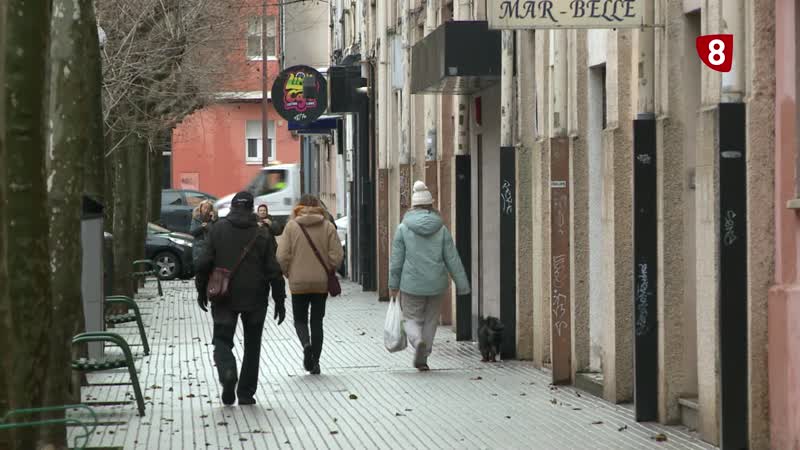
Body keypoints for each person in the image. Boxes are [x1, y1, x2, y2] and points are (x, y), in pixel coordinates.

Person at [196, 191, 286, 406]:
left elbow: (203, 263)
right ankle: (245, 393)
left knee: (222, 339)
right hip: (256, 298)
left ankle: (227, 370)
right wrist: (280, 299)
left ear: (233, 206)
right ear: (252, 208)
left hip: (224, 295)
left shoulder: (217, 230)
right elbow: (274, 270)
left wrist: (201, 290)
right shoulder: (261, 233)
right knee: (253, 345)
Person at [388, 181, 470, 371]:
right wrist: (462, 285)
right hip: (436, 283)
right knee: (431, 320)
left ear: (413, 206)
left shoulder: (403, 229)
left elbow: (396, 261)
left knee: (410, 318)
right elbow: (453, 258)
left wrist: (393, 285)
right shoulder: (441, 229)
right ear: (431, 206)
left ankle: (417, 343)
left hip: (411, 284)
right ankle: (424, 357)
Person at [277, 194, 343, 375]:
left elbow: (281, 256)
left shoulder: (291, 227)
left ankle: (306, 345)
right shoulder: (328, 226)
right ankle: (315, 362)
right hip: (321, 283)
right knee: (317, 321)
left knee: (299, 319)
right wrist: (328, 269)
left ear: (298, 207)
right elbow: (337, 255)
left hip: (298, 282)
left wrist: (289, 272)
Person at [191, 200, 216, 308]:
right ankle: (201, 295)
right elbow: (193, 232)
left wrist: (212, 222)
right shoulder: (196, 218)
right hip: (199, 250)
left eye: (208, 208)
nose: (206, 210)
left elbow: (216, 232)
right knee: (200, 274)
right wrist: (202, 227)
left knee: (211, 274)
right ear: (200, 208)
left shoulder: (214, 220)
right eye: (204, 208)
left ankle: (210, 294)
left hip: (211, 250)